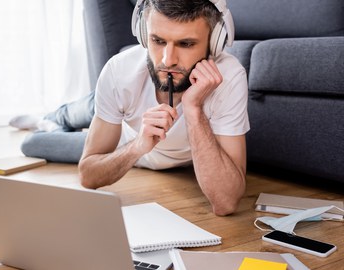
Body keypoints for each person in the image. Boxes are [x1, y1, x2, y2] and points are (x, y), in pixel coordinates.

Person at [78, 0, 249, 216]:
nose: (168, 61)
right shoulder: (119, 70)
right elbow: (88, 175)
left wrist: (193, 109)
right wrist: (138, 146)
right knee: (41, 141)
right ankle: (59, 116)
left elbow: (226, 203)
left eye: (186, 44)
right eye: (157, 40)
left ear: (214, 43)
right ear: (143, 33)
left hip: (168, 154)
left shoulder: (229, 77)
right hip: (128, 141)